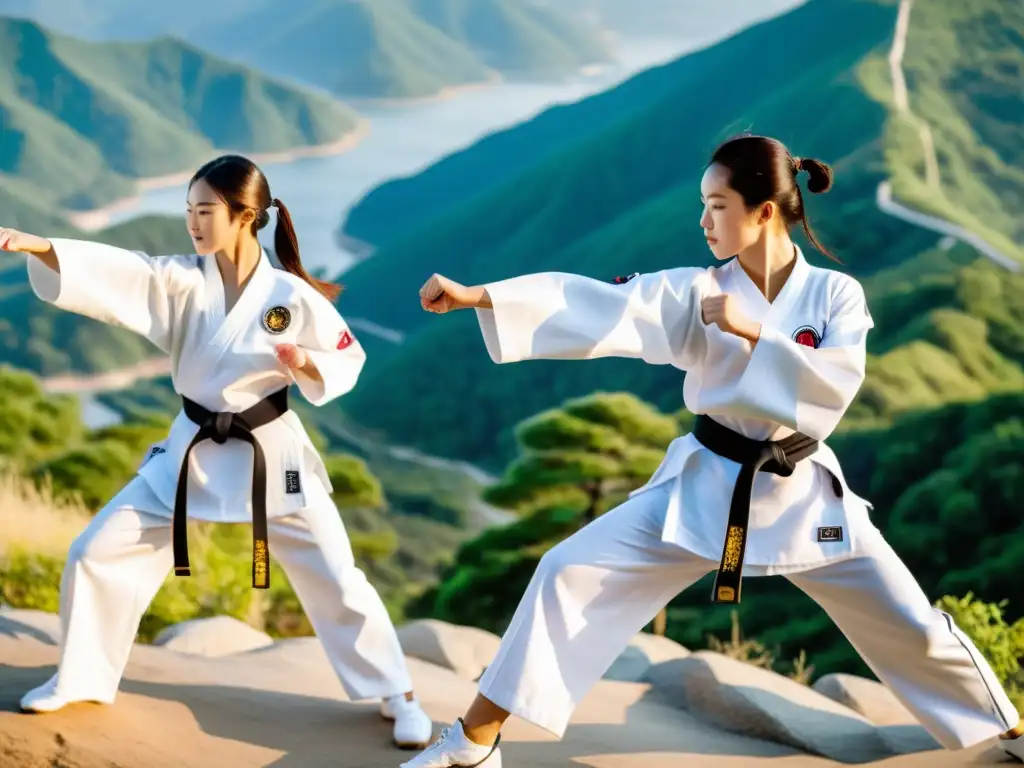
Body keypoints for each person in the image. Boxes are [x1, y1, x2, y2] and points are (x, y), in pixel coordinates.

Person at [400, 134, 1024, 767]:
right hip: (705, 484)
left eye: (718, 205)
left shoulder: (836, 295)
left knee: (909, 622)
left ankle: (1010, 727)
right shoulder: (693, 290)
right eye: (702, 204)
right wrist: (482, 295)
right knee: (567, 571)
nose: (702, 222)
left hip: (803, 491)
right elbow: (599, 304)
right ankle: (474, 742)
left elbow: (835, 386)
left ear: (764, 212)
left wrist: (757, 331)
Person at [0, 154, 434, 751]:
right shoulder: (181, 278)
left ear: (245, 216)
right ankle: (80, 677)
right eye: (188, 211)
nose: (193, 223)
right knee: (96, 551)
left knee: (337, 576)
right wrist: (44, 248)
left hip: (269, 456)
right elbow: (124, 272)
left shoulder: (288, 295)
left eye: (205, 211)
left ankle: (398, 694)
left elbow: (348, 357)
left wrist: (307, 364)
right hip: (191, 451)